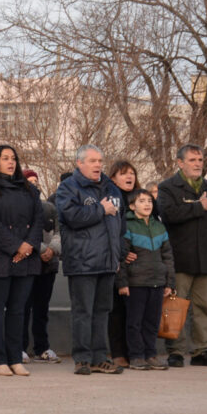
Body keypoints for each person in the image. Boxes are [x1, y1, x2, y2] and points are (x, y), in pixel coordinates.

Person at [54, 145, 125, 376]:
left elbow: (119, 225)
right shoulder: (68, 188)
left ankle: (99, 357)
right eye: (93, 161)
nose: (98, 165)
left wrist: (116, 256)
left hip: (107, 261)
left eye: (100, 160)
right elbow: (71, 217)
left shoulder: (112, 188)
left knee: (102, 311)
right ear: (79, 163)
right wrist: (100, 209)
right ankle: (82, 358)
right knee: (83, 312)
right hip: (82, 261)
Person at [0, 146, 43, 377]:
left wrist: (28, 246)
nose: (11, 162)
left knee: (18, 309)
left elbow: (38, 219)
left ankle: (15, 358)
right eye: (5, 158)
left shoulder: (29, 190)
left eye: (13, 158)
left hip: (26, 258)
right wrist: (16, 246)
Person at [157, 144, 207, 368]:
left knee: (203, 308)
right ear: (180, 163)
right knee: (174, 307)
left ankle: (201, 351)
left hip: (206, 260)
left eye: (200, 160)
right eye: (193, 160)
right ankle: (175, 351)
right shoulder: (168, 188)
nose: (198, 164)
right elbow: (168, 215)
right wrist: (198, 207)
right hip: (179, 259)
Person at [116, 189, 173, 370]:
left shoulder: (159, 227)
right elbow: (122, 258)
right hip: (136, 283)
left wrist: (169, 282)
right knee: (134, 322)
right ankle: (136, 356)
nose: (147, 204)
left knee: (152, 322)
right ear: (132, 206)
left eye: (149, 200)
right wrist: (122, 283)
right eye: (142, 201)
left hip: (157, 281)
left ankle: (151, 354)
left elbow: (168, 257)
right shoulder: (127, 226)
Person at [22, 170, 61, 363]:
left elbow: (58, 232)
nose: (34, 184)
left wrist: (52, 250)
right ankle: (20, 347)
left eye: (36, 181)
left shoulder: (49, 208)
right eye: (29, 181)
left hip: (49, 266)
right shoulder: (20, 209)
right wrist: (42, 248)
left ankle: (42, 347)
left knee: (41, 309)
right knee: (23, 307)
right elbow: (23, 235)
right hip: (28, 264)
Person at [108, 160, 139, 369]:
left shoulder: (143, 198)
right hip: (119, 262)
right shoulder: (111, 199)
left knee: (136, 311)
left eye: (132, 173)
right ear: (113, 178)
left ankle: (137, 352)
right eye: (123, 174)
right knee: (116, 310)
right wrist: (122, 251)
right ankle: (118, 352)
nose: (129, 177)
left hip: (141, 265)